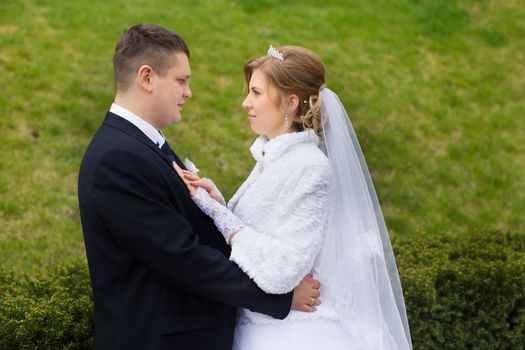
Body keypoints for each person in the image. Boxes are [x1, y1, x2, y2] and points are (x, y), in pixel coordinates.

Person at [77, 25, 320, 350]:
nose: (189, 92)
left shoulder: (138, 144)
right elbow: (182, 258)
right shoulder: (118, 159)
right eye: (181, 80)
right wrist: (281, 298)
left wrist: (214, 204)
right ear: (147, 77)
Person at [176, 45, 413, 349]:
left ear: (289, 103)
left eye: (256, 93)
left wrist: (221, 217)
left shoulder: (309, 167)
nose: (245, 102)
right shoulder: (273, 158)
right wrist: (220, 203)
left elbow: (283, 269)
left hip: (291, 335)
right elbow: (264, 230)